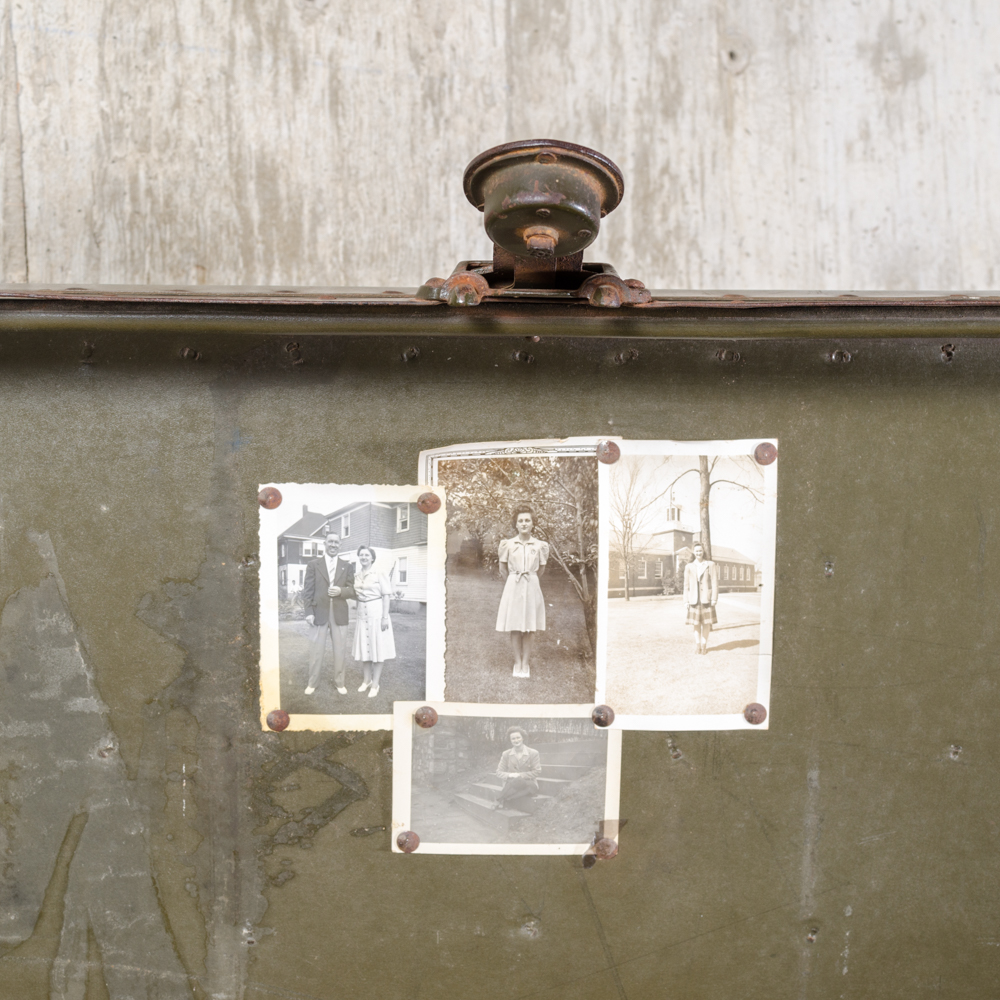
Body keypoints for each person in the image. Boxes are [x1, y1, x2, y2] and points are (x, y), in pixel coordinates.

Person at [496, 507, 549, 678]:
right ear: (516, 524)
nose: (524, 523)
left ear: (533, 523)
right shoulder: (508, 544)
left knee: (530, 627)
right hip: (513, 585)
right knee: (515, 625)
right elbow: (503, 569)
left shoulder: (540, 545)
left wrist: (530, 580)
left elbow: (541, 569)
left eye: (527, 520)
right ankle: (517, 662)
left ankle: (525, 663)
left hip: (532, 584)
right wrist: (514, 583)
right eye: (521, 521)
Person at [302, 531, 356, 695]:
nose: (333, 545)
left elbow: (353, 590)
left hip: (339, 613)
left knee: (339, 650)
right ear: (325, 544)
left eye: (336, 542)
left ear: (340, 545)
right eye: (330, 542)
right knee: (316, 650)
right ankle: (312, 683)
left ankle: (340, 682)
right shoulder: (313, 565)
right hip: (319, 612)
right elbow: (307, 591)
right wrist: (309, 612)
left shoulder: (347, 566)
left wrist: (341, 590)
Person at [351, 545, 396, 699]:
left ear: (372, 558)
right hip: (362, 616)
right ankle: (367, 680)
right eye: (361, 555)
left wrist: (385, 617)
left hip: (377, 614)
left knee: (377, 649)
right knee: (365, 648)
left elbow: (386, 595)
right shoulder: (357, 575)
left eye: (367, 555)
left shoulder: (379, 573)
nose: (364, 557)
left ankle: (375, 684)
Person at [492, 727, 541, 810]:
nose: (516, 740)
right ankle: (505, 799)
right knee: (516, 781)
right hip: (513, 785)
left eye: (518, 737)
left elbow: (537, 771)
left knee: (520, 781)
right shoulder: (506, 754)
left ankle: (499, 799)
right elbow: (499, 772)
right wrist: (511, 775)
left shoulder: (533, 753)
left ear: (522, 738)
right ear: (510, 740)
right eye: (513, 738)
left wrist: (519, 775)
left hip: (528, 784)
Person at [683, 542, 718, 654]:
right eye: (697, 551)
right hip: (694, 599)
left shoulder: (710, 565)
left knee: (706, 624)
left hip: (706, 599)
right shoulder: (689, 566)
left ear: (703, 552)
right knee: (696, 624)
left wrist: (714, 598)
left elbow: (714, 582)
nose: (699, 553)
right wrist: (686, 601)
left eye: (701, 551)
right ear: (694, 552)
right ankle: (698, 646)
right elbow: (686, 585)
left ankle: (704, 646)